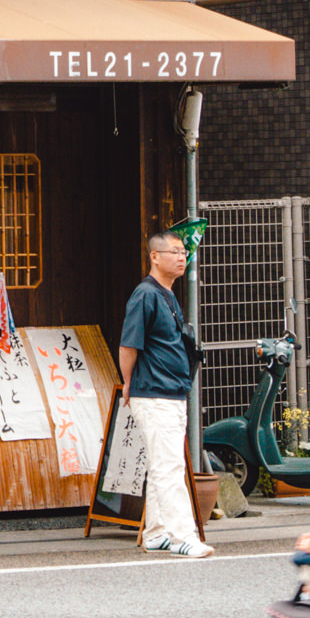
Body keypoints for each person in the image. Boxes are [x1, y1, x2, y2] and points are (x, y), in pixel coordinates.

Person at [118, 231, 214, 558]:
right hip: (155, 392)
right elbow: (128, 345)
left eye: (183, 252)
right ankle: (183, 535)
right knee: (169, 466)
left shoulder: (167, 294)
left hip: (170, 391)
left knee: (162, 464)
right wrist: (128, 383)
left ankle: (156, 532)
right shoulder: (145, 294)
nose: (181, 257)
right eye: (173, 251)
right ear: (154, 256)